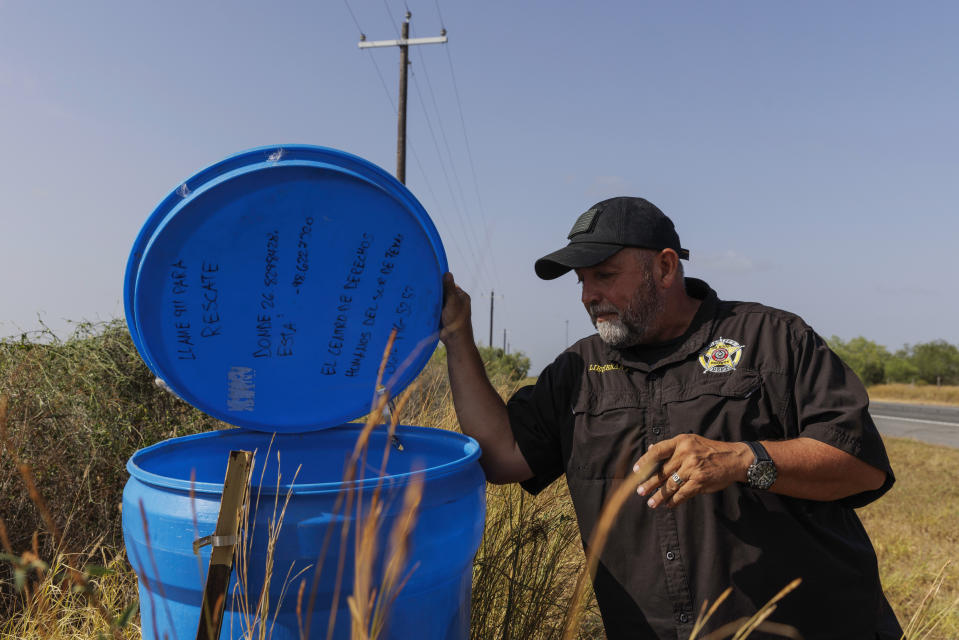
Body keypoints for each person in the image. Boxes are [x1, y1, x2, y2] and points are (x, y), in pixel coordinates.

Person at [440, 197, 902, 639]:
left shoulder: (774, 340)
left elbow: (860, 466)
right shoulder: (576, 372)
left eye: (604, 274)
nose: (588, 295)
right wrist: (458, 336)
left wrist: (743, 459)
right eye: (581, 281)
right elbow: (502, 457)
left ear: (664, 267)